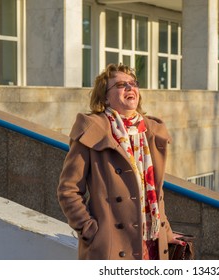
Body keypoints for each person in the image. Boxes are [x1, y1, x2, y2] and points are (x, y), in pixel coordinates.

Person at [57, 63, 184, 260]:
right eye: (120, 85)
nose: (129, 88)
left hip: (152, 243)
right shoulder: (93, 131)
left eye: (133, 84)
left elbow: (155, 193)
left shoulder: (149, 131)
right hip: (113, 246)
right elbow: (68, 190)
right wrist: (90, 230)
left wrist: (166, 232)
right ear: (105, 96)